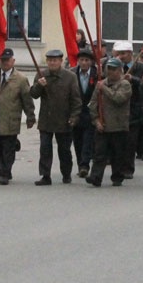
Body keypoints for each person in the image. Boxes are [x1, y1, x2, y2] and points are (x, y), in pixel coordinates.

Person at [0, 48, 36, 185]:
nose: (5, 63)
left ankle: (4, 172)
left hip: (10, 119)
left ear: (13, 61)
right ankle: (5, 168)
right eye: (3, 60)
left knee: (8, 147)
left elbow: (27, 100)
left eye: (8, 60)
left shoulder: (21, 79)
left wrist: (30, 116)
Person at [29, 49, 82, 185]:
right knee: (45, 149)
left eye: (55, 60)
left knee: (64, 150)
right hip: (46, 119)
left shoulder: (70, 77)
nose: (52, 63)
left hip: (64, 119)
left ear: (60, 61)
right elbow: (34, 94)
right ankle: (45, 175)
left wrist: (74, 116)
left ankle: (66, 174)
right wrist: (39, 85)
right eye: (50, 60)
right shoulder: (41, 75)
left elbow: (76, 99)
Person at [86, 58, 132, 187]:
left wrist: (104, 88)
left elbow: (119, 98)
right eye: (109, 69)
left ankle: (117, 177)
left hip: (118, 125)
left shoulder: (125, 84)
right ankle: (95, 176)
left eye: (114, 69)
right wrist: (96, 121)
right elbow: (93, 104)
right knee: (99, 154)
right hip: (103, 125)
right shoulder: (101, 84)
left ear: (120, 70)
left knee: (118, 154)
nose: (111, 72)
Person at [114, 41, 143, 178]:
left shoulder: (140, 67)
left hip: (134, 108)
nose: (121, 57)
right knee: (118, 141)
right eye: (118, 54)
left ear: (130, 54)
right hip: (117, 108)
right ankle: (117, 167)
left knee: (130, 141)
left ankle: (128, 169)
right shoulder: (113, 66)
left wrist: (132, 79)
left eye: (123, 54)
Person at [71, 48, 98, 179]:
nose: (84, 63)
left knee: (88, 140)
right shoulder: (72, 74)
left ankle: (85, 165)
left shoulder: (97, 75)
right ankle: (80, 164)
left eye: (86, 60)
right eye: (81, 60)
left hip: (90, 112)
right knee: (77, 140)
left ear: (91, 62)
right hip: (76, 112)